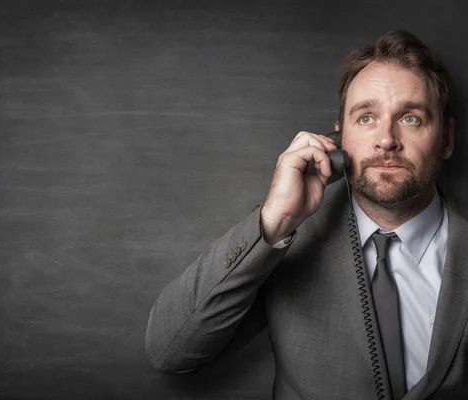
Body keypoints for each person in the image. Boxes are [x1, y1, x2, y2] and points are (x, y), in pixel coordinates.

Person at [145, 30, 468, 400]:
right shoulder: (288, 243)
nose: (386, 140)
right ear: (338, 137)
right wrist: (274, 222)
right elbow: (169, 351)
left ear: (446, 138)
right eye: (365, 118)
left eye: (410, 118)